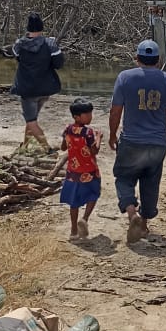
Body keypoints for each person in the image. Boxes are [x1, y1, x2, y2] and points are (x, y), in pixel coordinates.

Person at [109, 40, 166, 245]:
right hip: (157, 143)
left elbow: (116, 110)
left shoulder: (125, 77)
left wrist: (112, 134)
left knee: (124, 178)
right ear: (158, 60)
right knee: (150, 182)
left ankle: (131, 212)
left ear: (137, 58)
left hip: (131, 141)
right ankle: (143, 224)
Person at [11, 14, 64, 152]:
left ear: (28, 28)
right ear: (41, 27)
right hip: (45, 88)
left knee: (31, 120)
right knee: (32, 119)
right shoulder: (50, 44)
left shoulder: (19, 44)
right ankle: (24, 147)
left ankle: (47, 149)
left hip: (27, 89)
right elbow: (59, 64)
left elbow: (17, 58)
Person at [60, 99, 102, 241]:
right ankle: (84, 219)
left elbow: (63, 147)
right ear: (76, 117)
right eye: (87, 114)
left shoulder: (67, 129)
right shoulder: (88, 132)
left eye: (91, 113)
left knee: (74, 201)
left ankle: (73, 231)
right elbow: (94, 151)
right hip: (89, 170)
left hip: (73, 171)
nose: (90, 116)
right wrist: (99, 138)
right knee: (94, 193)